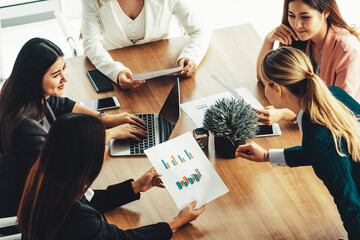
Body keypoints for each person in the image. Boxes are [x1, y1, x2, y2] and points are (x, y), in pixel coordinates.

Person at [0, 38, 147, 218]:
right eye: (56, 75)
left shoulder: (24, 92)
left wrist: (107, 119)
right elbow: (66, 164)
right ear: (34, 79)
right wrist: (107, 135)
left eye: (64, 68)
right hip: (31, 208)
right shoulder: (23, 128)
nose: (65, 78)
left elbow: (62, 105)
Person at [17, 113, 206, 240]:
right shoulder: (79, 218)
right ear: (87, 158)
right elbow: (122, 238)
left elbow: (91, 199)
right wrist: (177, 222)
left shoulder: (48, 178)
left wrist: (135, 187)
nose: (106, 149)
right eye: (102, 145)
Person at [236, 47, 360, 239]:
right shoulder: (334, 95)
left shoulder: (317, 137)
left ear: (277, 88)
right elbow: (327, 152)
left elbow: (349, 203)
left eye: (266, 85)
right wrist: (268, 156)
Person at [255, 0, 360, 125]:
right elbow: (265, 78)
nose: (297, 24)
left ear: (325, 12)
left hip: (341, 128)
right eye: (291, 16)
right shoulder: (297, 38)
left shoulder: (347, 49)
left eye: (305, 17)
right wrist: (268, 40)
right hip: (313, 122)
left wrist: (284, 113)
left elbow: (336, 109)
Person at [81, 0, 211, 89]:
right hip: (116, 69)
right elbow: (91, 43)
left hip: (163, 73)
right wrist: (116, 72)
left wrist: (190, 56)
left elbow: (200, 29)